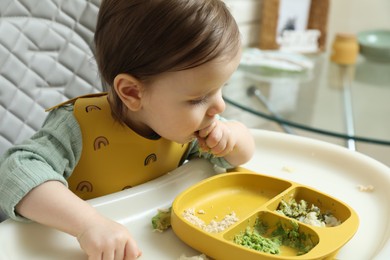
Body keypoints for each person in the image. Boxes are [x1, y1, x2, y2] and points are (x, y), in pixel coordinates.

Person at [0, 0, 255, 259]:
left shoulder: (189, 127)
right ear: (132, 92)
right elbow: (15, 173)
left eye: (222, 88)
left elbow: (238, 157)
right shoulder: (76, 127)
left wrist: (233, 137)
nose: (219, 106)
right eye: (199, 98)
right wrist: (88, 224)